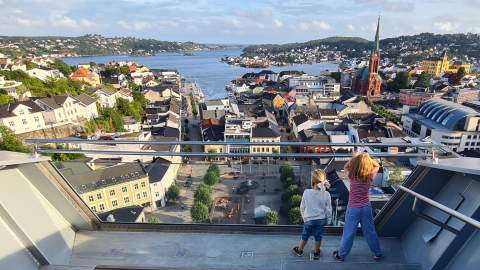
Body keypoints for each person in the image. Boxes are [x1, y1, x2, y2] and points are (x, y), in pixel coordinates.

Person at [333, 152, 382, 261]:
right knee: (370, 231)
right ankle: (377, 253)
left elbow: (346, 166)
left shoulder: (352, 175)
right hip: (366, 207)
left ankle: (341, 254)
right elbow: (377, 165)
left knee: (349, 232)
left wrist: (356, 157)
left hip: (353, 208)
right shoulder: (370, 176)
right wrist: (366, 157)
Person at [292, 169, 332, 260]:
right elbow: (328, 210)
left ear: (312, 181)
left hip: (309, 219)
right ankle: (316, 252)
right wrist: (329, 220)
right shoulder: (326, 194)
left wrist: (304, 217)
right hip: (321, 220)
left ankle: (300, 250)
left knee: (305, 235)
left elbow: (302, 207)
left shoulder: (306, 192)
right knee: (318, 236)